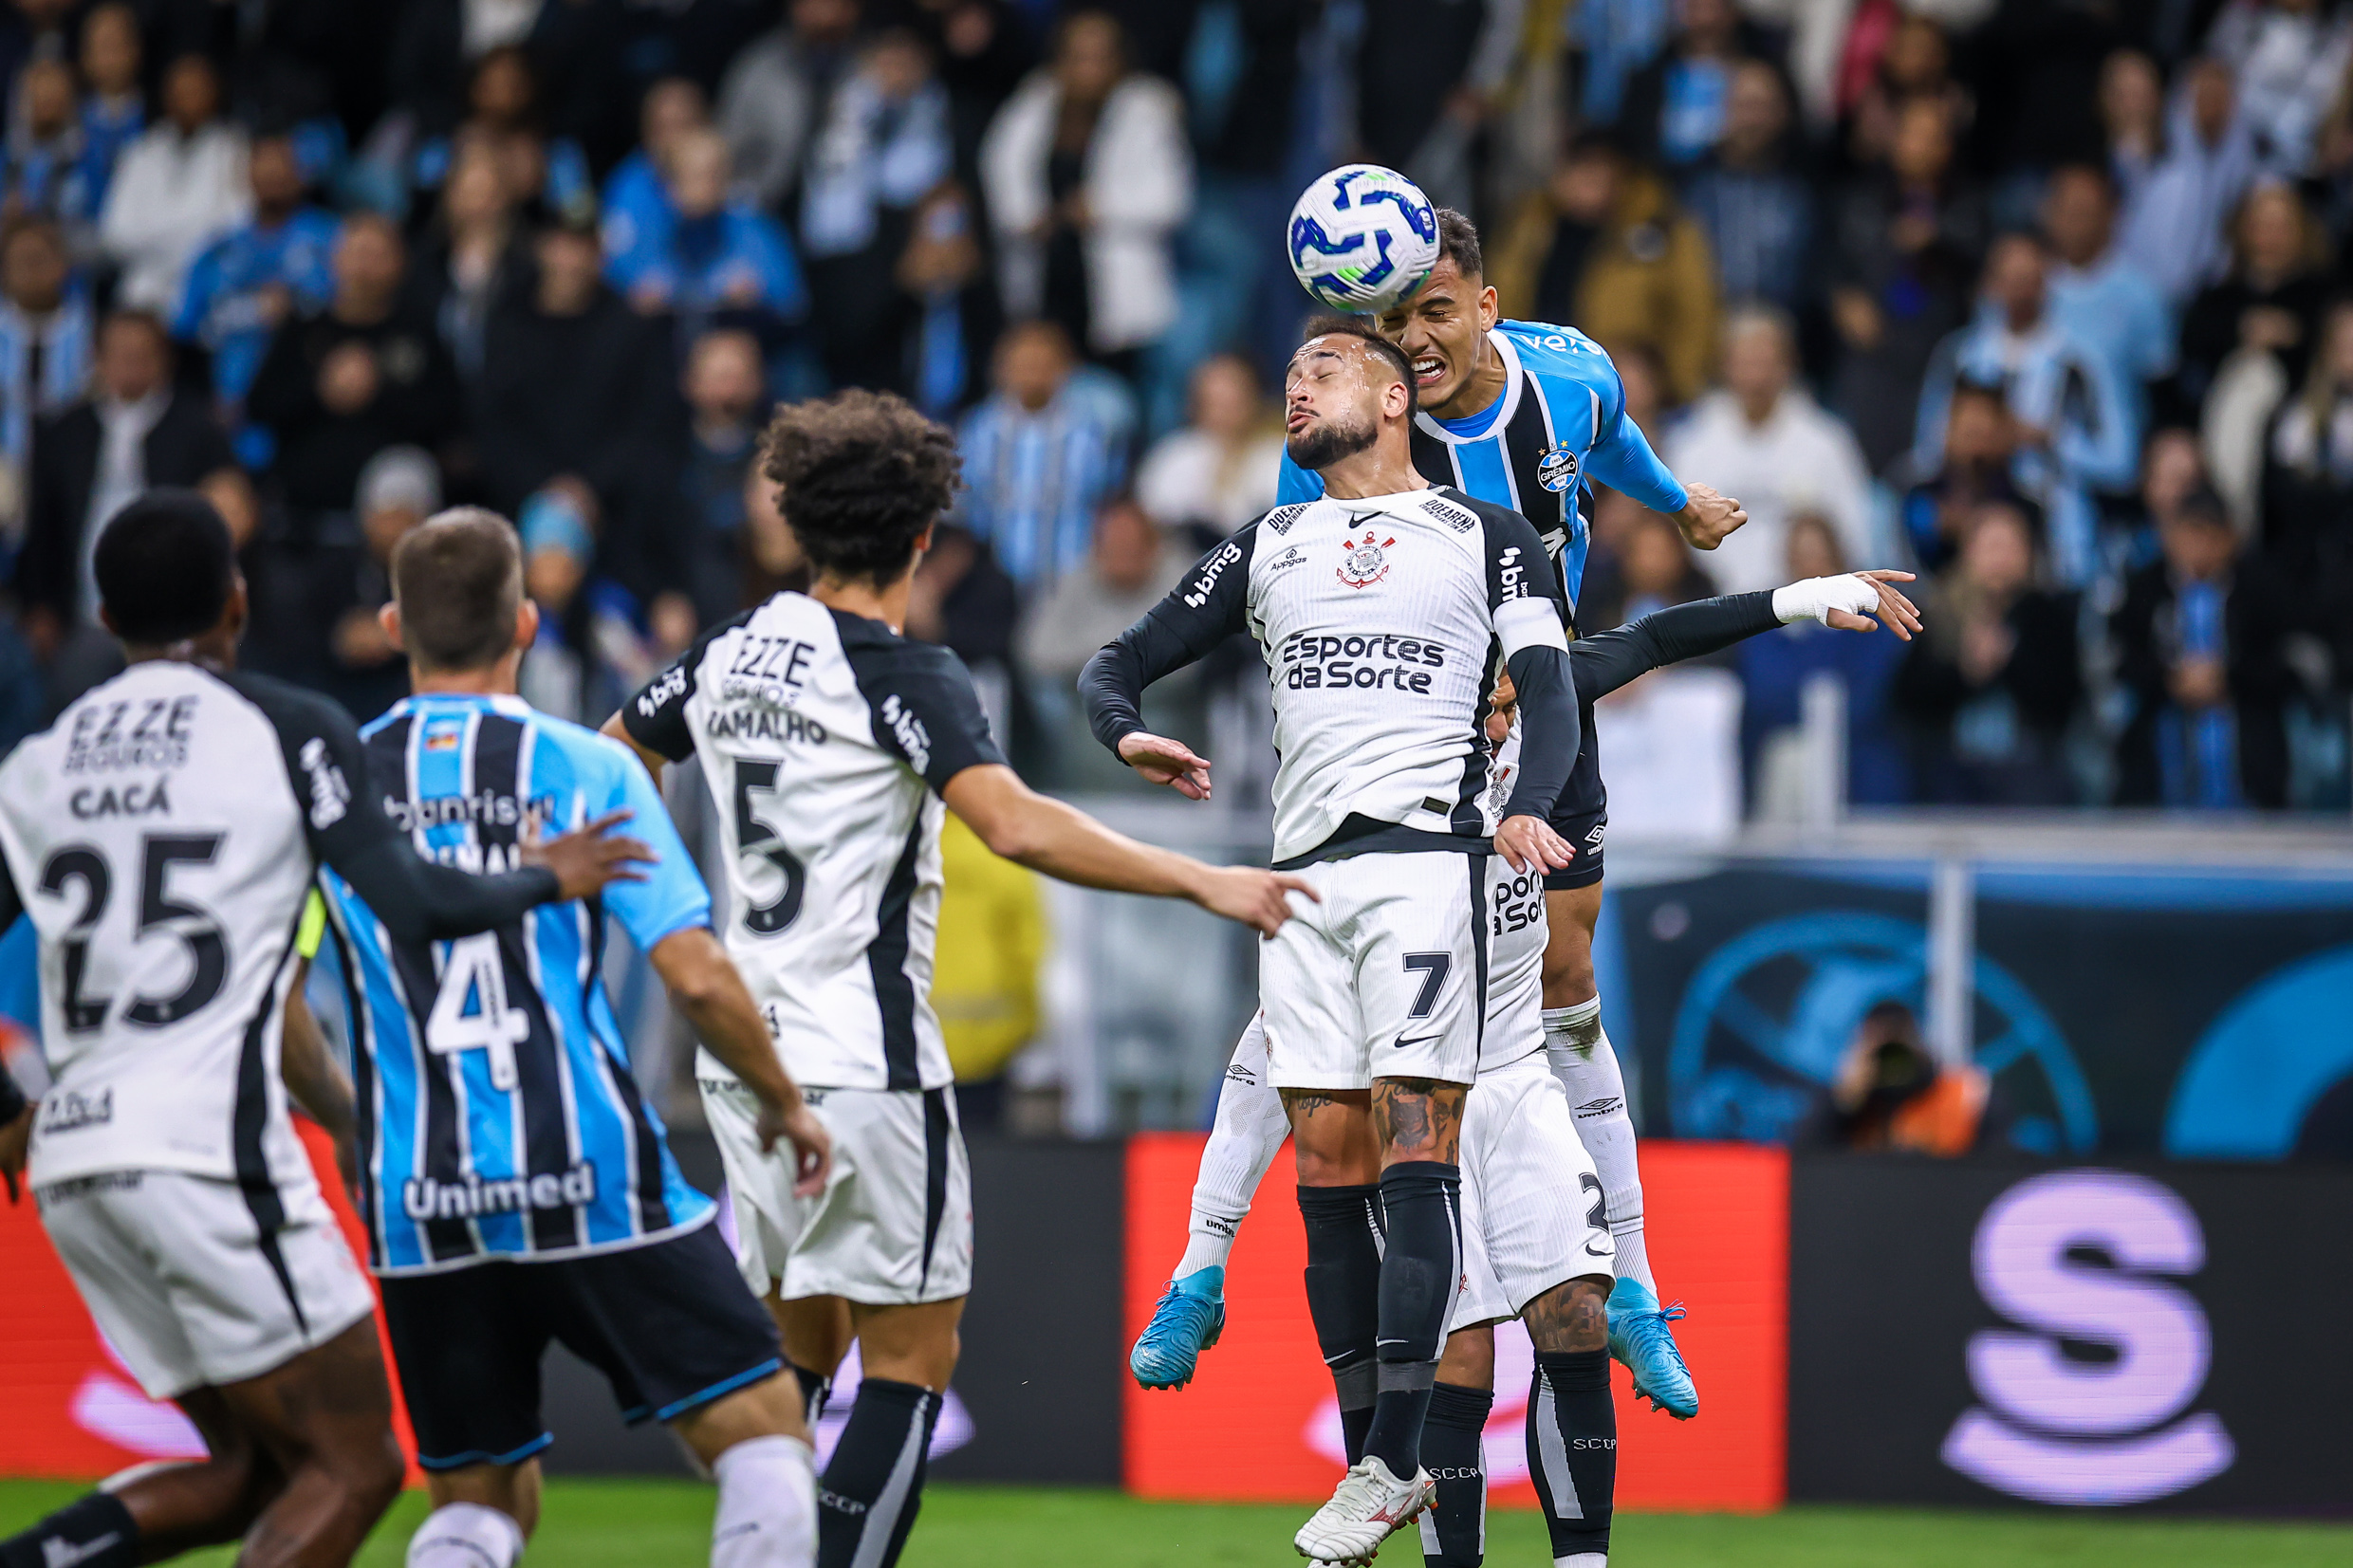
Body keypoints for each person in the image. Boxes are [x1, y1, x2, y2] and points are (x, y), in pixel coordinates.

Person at [602, 388, 1307, 1568]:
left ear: (794, 522)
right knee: (912, 1365)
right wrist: (1203, 882)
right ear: (925, 537)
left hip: (748, 1059)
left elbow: (615, 758)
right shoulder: (903, 673)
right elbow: (1016, 828)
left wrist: (672, 912)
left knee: (801, 1351)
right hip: (867, 1062)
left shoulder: (726, 654)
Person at [1123, 558, 1918, 1568]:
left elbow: (1663, 637)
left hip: (1512, 1063)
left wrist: (1801, 597)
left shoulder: (1548, 690)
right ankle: (1203, 1286)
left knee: (1573, 1314)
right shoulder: (1375, 762)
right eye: (1485, 694)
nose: (1502, 713)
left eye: (1514, 692)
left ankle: (1600, 1450)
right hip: (1418, 1069)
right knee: (1456, 1343)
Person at [0, 489, 646, 1568]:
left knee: (242, 1473)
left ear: (105, 618)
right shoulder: (288, 729)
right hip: (207, 1156)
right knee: (356, 1465)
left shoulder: (35, 766)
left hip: (74, 1163)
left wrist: (9, 1109)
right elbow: (416, 907)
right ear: (237, 604)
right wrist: (548, 872)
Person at [1084, 318, 1589, 1563]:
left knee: (1419, 1134)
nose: (1295, 389)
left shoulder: (1485, 536)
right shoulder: (1272, 540)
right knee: (1326, 1162)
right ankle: (1384, 1468)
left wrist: (1530, 801)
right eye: (1292, 372)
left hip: (1427, 865)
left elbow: (1558, 685)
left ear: (1394, 389)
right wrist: (1119, 729)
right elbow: (1119, 658)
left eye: (1322, 367)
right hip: (1299, 888)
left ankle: (1391, 1453)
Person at [1252, 211, 1745, 1425]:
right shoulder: (1347, 435)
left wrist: (1677, 505)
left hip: (1547, 712)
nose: (1411, 340)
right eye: (1388, 321)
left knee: (1566, 983)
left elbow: (1612, 440)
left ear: (1486, 303)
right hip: (1413, 747)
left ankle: (1629, 1285)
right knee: (1363, 1036)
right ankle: (1303, 1293)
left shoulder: (1569, 371)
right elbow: (1285, 575)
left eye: (1434, 310)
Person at [313, 508, 834, 1568]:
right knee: (763, 1437)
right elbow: (692, 974)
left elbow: (277, 1001)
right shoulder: (585, 767)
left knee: (476, 1502)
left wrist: (352, 1134)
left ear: (390, 623)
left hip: (421, 1192)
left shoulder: (337, 785)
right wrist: (782, 1099)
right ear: (527, 622)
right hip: (588, 1171)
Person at [14, 310, 251, 709]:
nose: (129, 366)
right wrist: (40, 605)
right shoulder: (65, 431)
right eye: (118, 355)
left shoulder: (200, 431)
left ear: (164, 360)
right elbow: (42, 531)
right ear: (98, 359)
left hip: (177, 626)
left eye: (142, 355)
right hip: (82, 618)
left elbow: (229, 517)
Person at [978, 9, 1191, 372]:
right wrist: (1026, 215)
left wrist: (1101, 209)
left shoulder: (1145, 107)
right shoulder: (1035, 100)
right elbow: (998, 164)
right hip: (1047, 282)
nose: (1088, 68)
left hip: (1113, 290)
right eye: (1078, 56)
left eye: (1100, 57)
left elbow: (1171, 199)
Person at [244, 212, 464, 522]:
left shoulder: (418, 333)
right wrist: (321, 388)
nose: (364, 267)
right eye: (357, 253)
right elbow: (260, 405)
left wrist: (376, 391)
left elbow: (446, 417)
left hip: (392, 490)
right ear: (336, 259)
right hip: (302, 492)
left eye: (376, 256)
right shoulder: (303, 329)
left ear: (399, 264)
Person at [1491, 129, 1721, 407]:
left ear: (1623, 176)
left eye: (1602, 169)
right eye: (1582, 167)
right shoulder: (1530, 223)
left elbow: (1694, 312)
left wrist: (1676, 387)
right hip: (1533, 379)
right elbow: (1499, 293)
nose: (1591, 181)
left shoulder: (1662, 227)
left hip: (1630, 390)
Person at [1665, 305, 1874, 596]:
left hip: (1804, 614)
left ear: (1789, 366)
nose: (1756, 378)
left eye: (1766, 363)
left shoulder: (1827, 443)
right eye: (1746, 363)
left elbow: (1855, 535)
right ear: (1725, 366)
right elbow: (1671, 541)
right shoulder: (1691, 444)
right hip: (1711, 609)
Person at [2113, 487, 2295, 808]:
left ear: (2231, 538)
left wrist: (2227, 677)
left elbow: (2285, 663)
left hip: (2248, 762)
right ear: (2169, 537)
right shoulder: (2145, 588)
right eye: (2190, 534)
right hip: (2160, 766)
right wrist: (2172, 678)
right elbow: (2124, 659)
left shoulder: (2263, 588)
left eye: (2210, 534)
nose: (2200, 547)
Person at [1894, 502, 2082, 806]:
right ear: (1968, 553)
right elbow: (1910, 696)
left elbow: (2063, 700)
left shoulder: (2049, 616)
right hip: (1951, 769)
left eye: (2011, 547)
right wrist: (1965, 672)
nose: (2001, 559)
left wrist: (2008, 661)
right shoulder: (1939, 613)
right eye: (1992, 547)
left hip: (2030, 768)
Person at [172, 132, 341, 464]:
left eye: (284, 163)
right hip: (223, 424)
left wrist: (294, 309)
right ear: (243, 173)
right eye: (263, 163)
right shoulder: (216, 251)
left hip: (305, 422)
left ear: (304, 173)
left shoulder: (334, 242)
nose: (273, 174)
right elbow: (184, 336)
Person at [953, 318, 1125, 592]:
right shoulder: (977, 431)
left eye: (1043, 365)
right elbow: (962, 509)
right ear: (1001, 369)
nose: (1033, 375)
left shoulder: (1094, 434)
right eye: (1023, 365)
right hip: (990, 583)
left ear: (1065, 368)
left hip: (1071, 581)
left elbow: (1109, 501)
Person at [96, 53, 248, 313]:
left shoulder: (235, 149)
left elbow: (233, 226)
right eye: (179, 91)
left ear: (215, 94)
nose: (186, 100)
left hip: (207, 296)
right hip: (139, 294)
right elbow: (115, 234)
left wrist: (152, 236)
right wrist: (192, 229)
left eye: (195, 91)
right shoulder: (140, 152)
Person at [1134, 353, 1287, 540]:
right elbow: (1150, 525)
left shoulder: (1278, 458)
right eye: (1215, 402)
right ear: (1195, 403)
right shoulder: (1172, 457)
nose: (1224, 412)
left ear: (1253, 398)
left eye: (1233, 401)